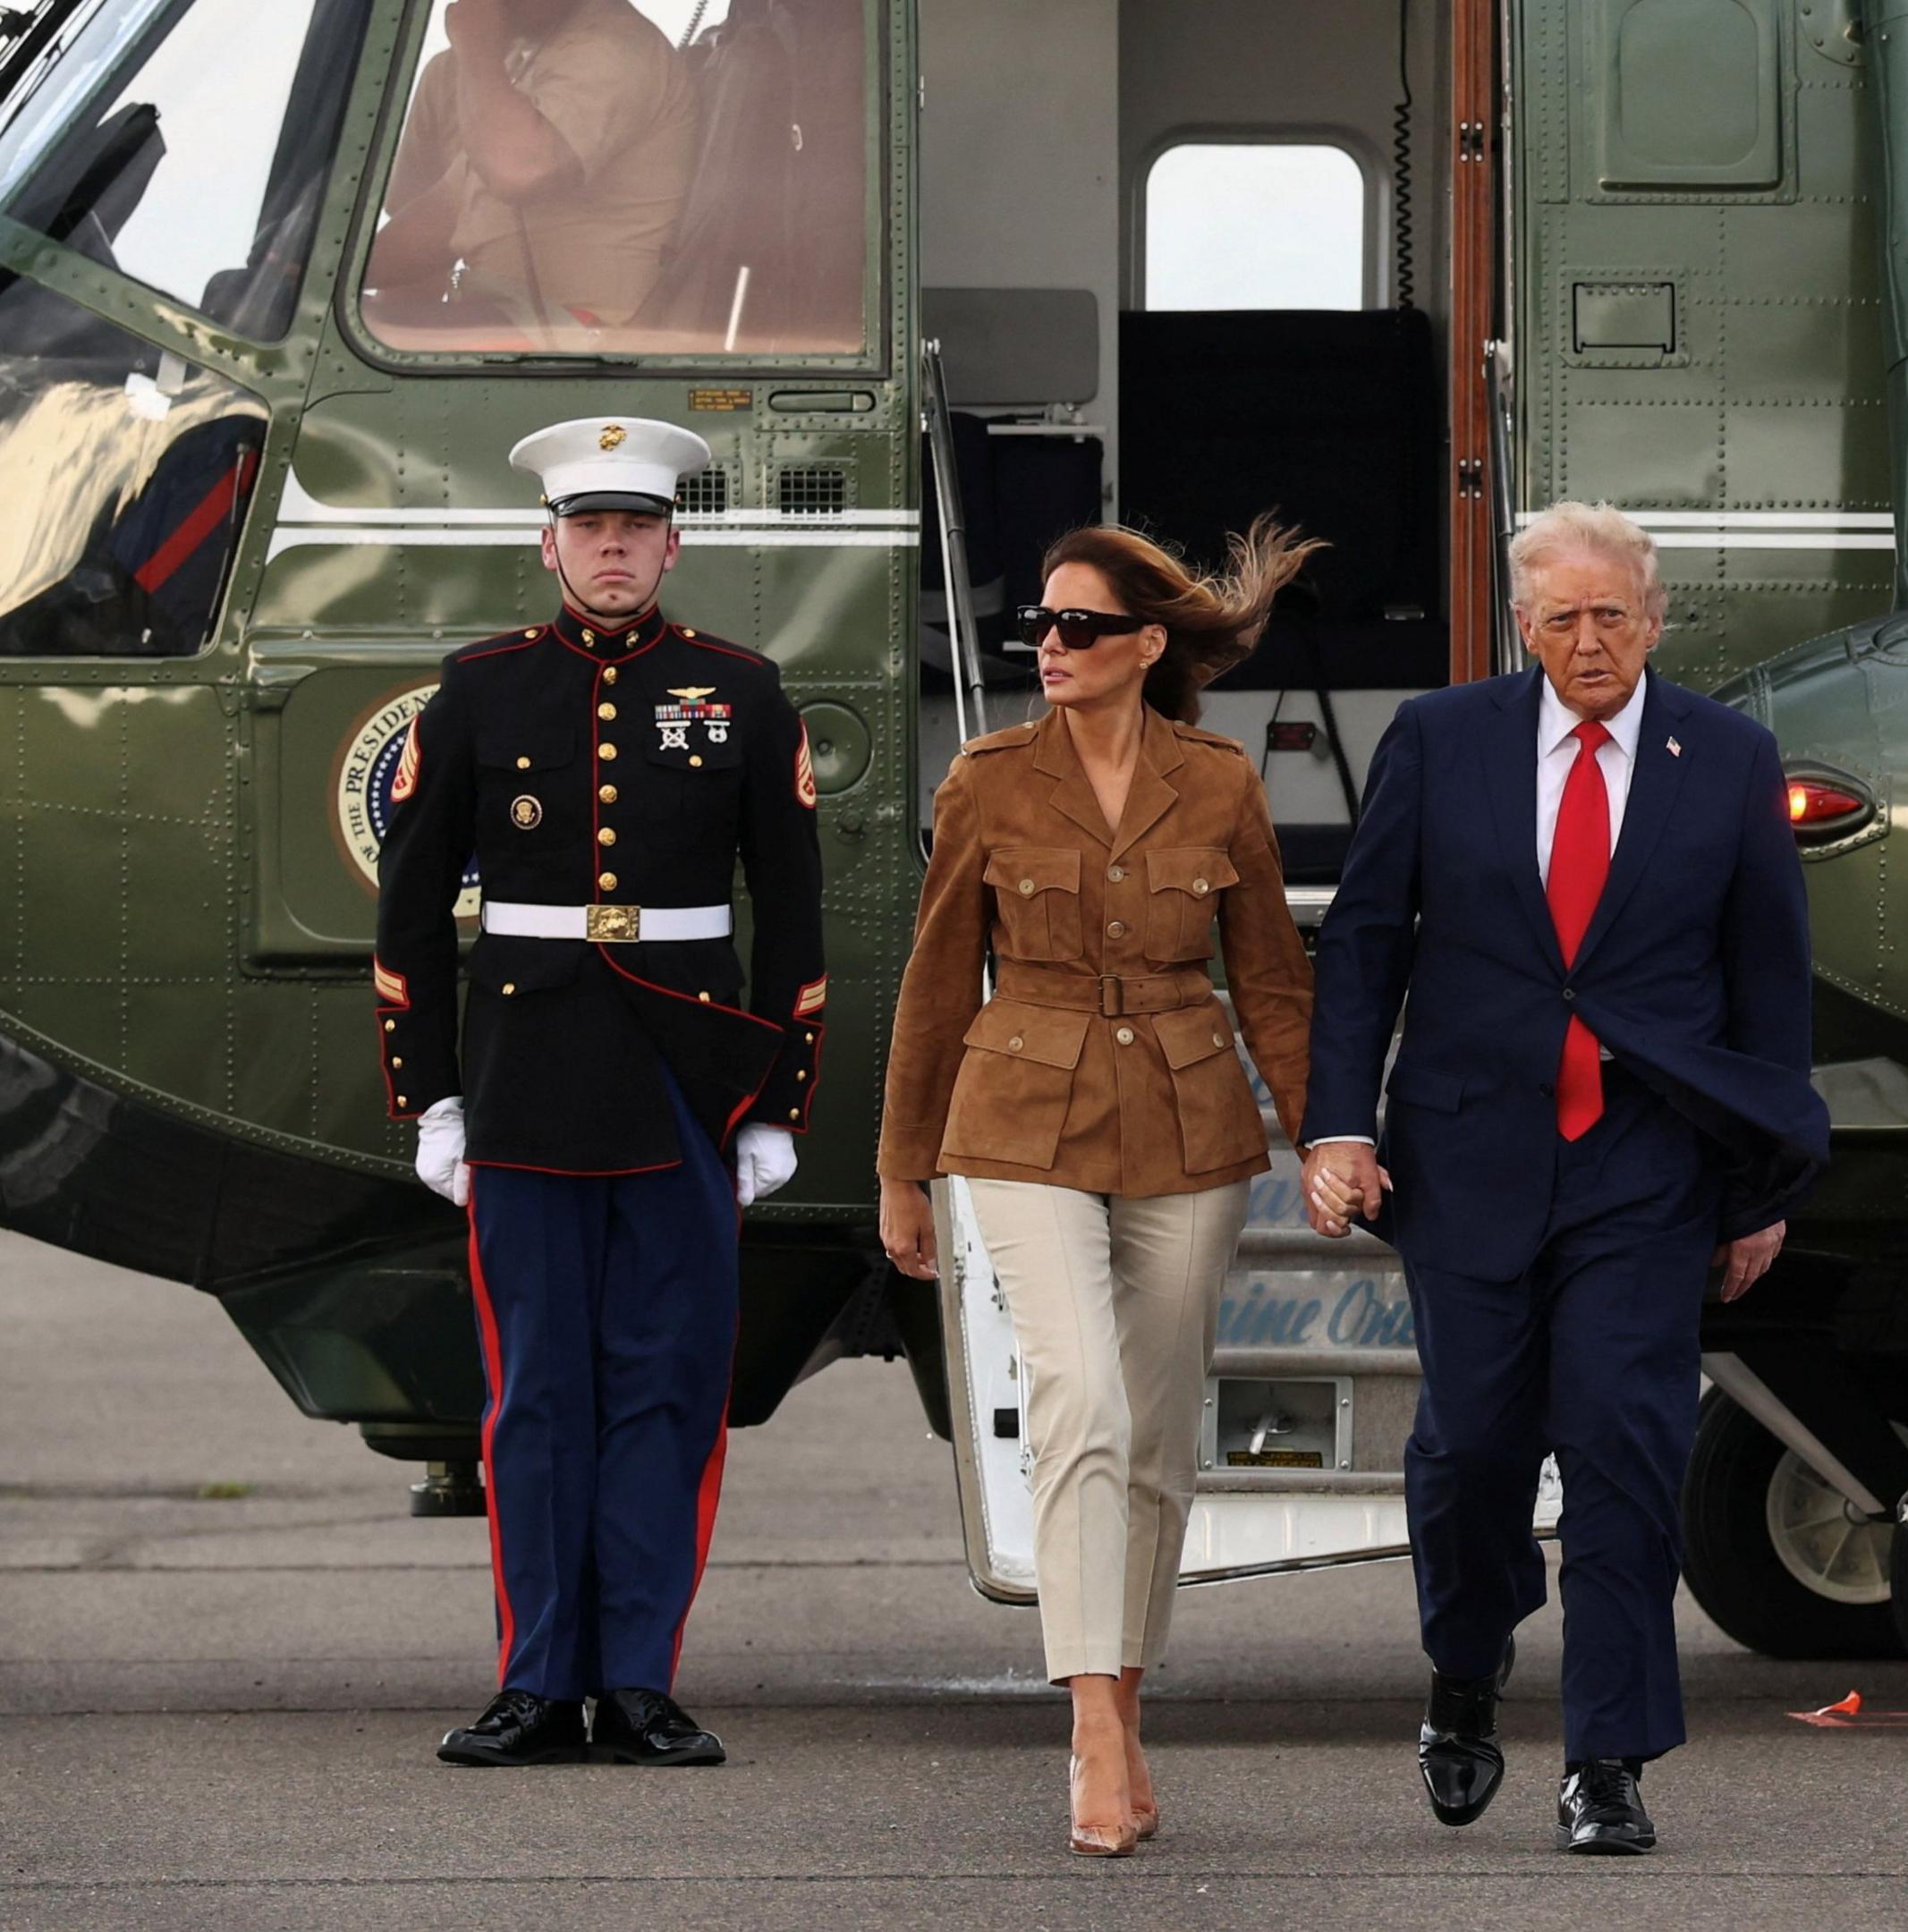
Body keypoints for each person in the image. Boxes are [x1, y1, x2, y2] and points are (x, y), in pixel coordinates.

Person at [1300, 502, 1829, 1856]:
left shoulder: (1725, 757)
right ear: (1522, 623)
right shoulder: (1442, 739)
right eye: (1562, 618)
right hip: (1466, 1152)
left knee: (1623, 1448)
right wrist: (1336, 1127)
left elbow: (1767, 988)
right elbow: (1365, 943)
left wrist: (1760, 1185)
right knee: (1469, 1449)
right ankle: (1465, 1671)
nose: (1588, 642)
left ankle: (1608, 1758)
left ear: (1654, 622)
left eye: (1613, 616)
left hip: (1646, 1164)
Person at [372, 415, 827, 1769]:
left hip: (683, 1083)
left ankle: (636, 1680)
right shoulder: (480, 690)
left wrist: (777, 1104)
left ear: (674, 544)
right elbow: (408, 917)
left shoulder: (742, 691)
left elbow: (795, 917)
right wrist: (433, 1101)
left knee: (667, 1388)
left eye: (636, 529)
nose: (613, 549)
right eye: (590, 528)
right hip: (525, 1084)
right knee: (535, 1400)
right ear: (550, 544)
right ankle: (535, 1680)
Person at [878, 521, 1319, 1857]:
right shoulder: (991, 779)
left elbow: (1274, 981)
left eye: (1079, 628)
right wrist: (902, 1169)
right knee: (1077, 1395)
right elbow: (939, 979)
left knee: (1160, 1433)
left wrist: (1331, 1135)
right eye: (1043, 629)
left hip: (1189, 1120)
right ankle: (1091, 1723)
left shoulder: (1221, 781)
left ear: (1146, 647)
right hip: (1018, 1116)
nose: (1051, 650)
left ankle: (1125, 1689)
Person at [367, 0, 701, 349]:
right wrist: (318, 278)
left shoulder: (618, 46)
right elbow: (443, 218)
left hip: (579, 337)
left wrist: (477, 42)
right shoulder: (479, 70)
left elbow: (520, 171)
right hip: (497, 318)